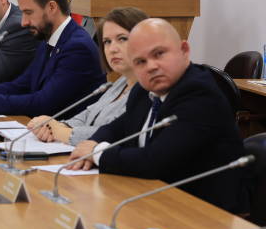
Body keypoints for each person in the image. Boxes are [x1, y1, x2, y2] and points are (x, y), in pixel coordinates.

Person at [66, 19, 248, 213]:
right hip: (157, 197)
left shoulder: (200, 94)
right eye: (140, 62)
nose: (151, 66)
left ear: (184, 50)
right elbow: (117, 127)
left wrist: (98, 153)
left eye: (159, 54)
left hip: (207, 211)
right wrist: (90, 145)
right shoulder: (144, 90)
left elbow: (154, 162)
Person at [28, 7, 148, 145]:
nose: (112, 49)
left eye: (122, 39)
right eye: (107, 42)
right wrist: (57, 126)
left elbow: (116, 133)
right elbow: (88, 114)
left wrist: (63, 133)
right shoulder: (121, 82)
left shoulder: (148, 91)